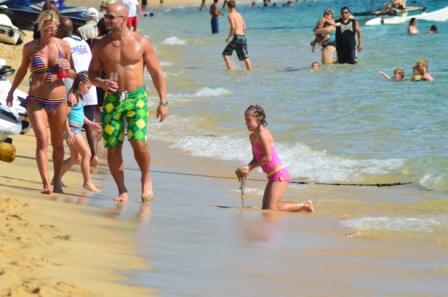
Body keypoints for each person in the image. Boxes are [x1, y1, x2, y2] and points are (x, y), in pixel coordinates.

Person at [88, 3, 168, 202]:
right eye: (106, 16)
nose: (106, 20)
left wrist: (163, 101)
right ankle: (122, 189)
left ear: (123, 19)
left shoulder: (141, 42)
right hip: (112, 100)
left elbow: (156, 72)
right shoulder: (100, 45)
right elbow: (91, 74)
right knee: (113, 145)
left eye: (111, 17)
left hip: (136, 98)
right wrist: (101, 82)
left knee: (138, 142)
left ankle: (146, 178)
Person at [6, 10, 73, 194]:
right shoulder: (30, 48)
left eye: (52, 29)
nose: (49, 33)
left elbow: (74, 73)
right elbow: (21, 71)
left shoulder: (64, 46)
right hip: (36, 100)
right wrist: (11, 91)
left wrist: (66, 70)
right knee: (42, 140)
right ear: (39, 26)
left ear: (57, 28)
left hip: (59, 101)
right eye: (45, 29)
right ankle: (46, 183)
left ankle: (57, 179)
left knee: (58, 143)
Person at [235, 105, 314, 213]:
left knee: (272, 208)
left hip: (279, 174)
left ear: (258, 119)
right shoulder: (252, 137)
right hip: (272, 176)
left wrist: (250, 167)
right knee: (266, 209)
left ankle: (304, 205)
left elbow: (268, 157)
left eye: (249, 120)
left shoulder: (263, 133)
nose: (246, 124)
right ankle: (303, 205)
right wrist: (247, 168)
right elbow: (256, 158)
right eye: (245, 121)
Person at [57, 17, 101, 166]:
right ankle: (93, 155)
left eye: (57, 28)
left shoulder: (63, 43)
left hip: (75, 85)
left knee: (70, 118)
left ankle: (75, 153)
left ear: (61, 30)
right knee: (89, 121)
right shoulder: (83, 42)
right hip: (89, 84)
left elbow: (68, 68)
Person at [60, 72, 101, 191]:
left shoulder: (80, 97)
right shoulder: (72, 97)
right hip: (72, 130)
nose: (89, 90)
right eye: (88, 87)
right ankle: (87, 182)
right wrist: (68, 131)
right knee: (87, 154)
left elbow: (81, 115)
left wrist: (91, 123)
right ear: (81, 84)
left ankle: (56, 178)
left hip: (75, 130)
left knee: (75, 158)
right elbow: (64, 115)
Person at [222, 0, 253, 71]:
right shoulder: (239, 14)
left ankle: (229, 71)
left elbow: (233, 27)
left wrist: (228, 38)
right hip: (243, 37)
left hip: (236, 36)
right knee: (245, 57)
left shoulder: (230, 15)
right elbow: (244, 27)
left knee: (225, 54)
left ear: (228, 6)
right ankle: (250, 73)